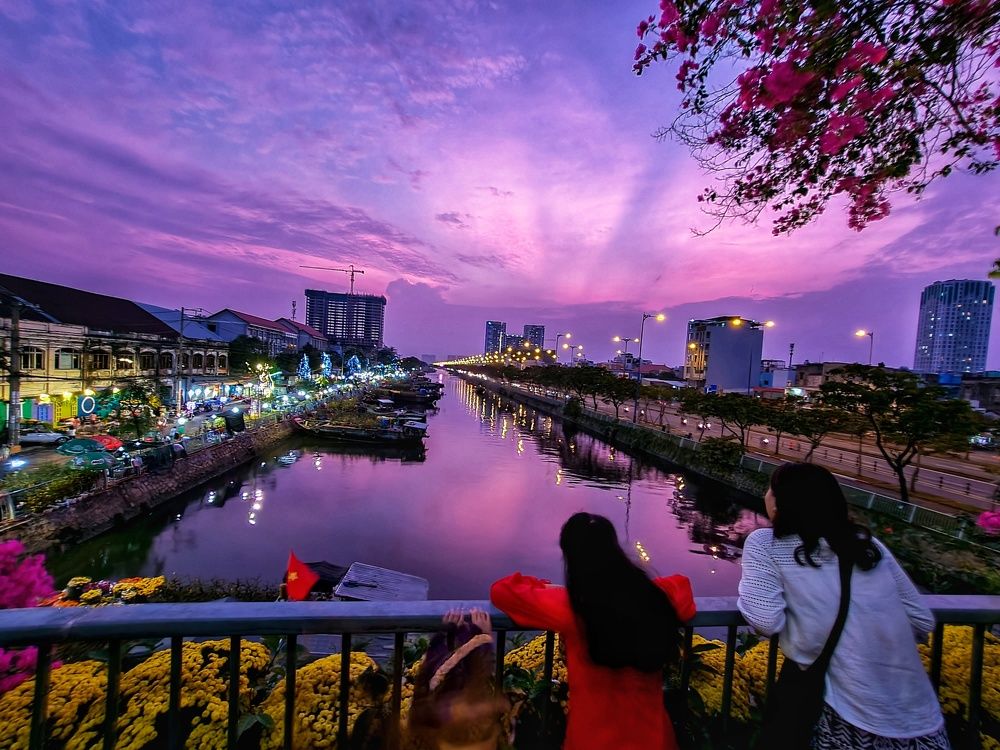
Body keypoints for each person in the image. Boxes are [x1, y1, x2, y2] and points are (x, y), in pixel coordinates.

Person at [738, 463, 949, 749]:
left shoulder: (766, 543)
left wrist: (810, 639)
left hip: (846, 712)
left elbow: (766, 620)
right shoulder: (867, 545)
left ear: (779, 502)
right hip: (920, 718)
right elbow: (921, 620)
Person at [490, 512, 696, 750]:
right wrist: (640, 585)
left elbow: (502, 591)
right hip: (655, 739)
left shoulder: (571, 608)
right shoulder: (654, 598)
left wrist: (542, 585)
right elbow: (682, 586)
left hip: (592, 738)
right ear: (614, 548)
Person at [408, 608, 508, 750]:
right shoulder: (473, 727)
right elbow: (479, 681)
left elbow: (422, 699)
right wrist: (481, 637)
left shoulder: (427, 730)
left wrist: (444, 637)